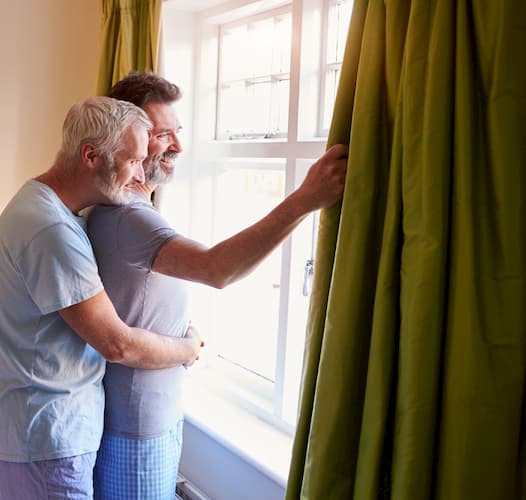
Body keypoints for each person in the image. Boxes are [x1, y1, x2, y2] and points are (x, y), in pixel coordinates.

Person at [87, 72, 348, 500]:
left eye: (179, 132)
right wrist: (304, 200)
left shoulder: (126, 207)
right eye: (163, 134)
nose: (178, 146)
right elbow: (218, 269)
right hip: (137, 425)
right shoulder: (128, 216)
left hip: (148, 415)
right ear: (127, 136)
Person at [0, 95, 204, 500]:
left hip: (38, 432)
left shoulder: (39, 204)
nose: (140, 175)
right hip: (48, 437)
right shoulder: (51, 231)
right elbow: (116, 343)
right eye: (133, 160)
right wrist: (186, 349)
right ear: (91, 156)